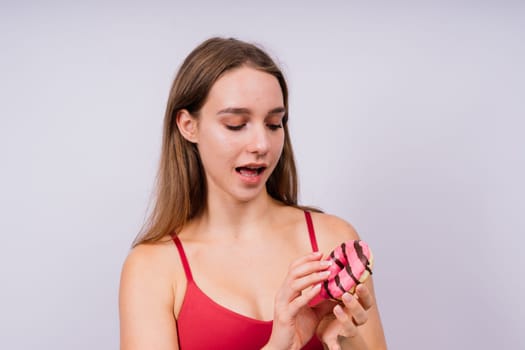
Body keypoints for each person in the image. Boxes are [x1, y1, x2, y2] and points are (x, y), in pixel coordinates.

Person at [119, 37, 387, 350]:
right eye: (236, 124)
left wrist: (345, 341)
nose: (261, 144)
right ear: (188, 126)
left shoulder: (333, 241)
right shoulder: (152, 268)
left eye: (274, 123)